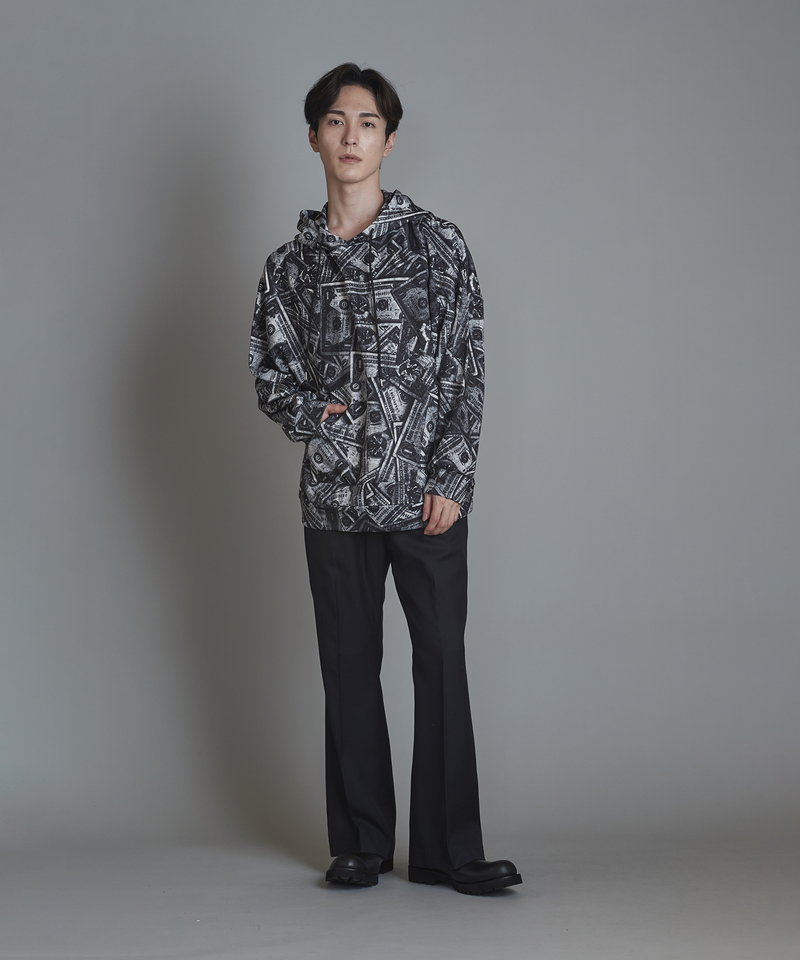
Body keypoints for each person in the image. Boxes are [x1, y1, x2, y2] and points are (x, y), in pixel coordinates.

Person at [248, 62, 521, 895]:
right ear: (314, 137)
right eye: (336, 121)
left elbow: (466, 366)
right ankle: (361, 841)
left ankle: (448, 849)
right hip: (335, 499)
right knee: (348, 668)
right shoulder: (290, 265)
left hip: (425, 494)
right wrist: (318, 418)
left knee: (440, 661)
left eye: (367, 123)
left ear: (389, 141)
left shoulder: (438, 245)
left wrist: (453, 477)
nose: (351, 137)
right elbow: (271, 374)